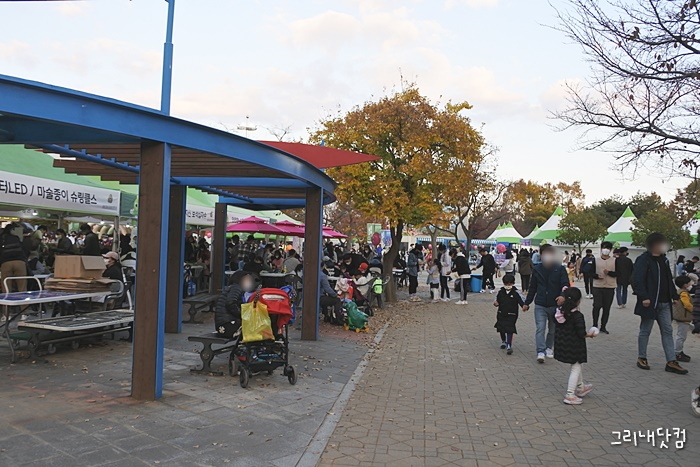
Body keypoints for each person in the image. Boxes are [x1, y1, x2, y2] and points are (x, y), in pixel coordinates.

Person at [633, 232, 688, 374]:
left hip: (665, 303)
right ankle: (642, 357)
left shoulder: (664, 260)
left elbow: (668, 279)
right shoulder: (643, 259)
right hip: (650, 302)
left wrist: (674, 296)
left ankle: (671, 361)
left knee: (667, 331)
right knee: (645, 330)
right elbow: (637, 280)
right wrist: (644, 297)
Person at [523, 244, 569, 363]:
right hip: (540, 304)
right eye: (545, 253)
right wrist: (527, 302)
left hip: (555, 305)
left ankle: (549, 347)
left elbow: (565, 284)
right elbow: (532, 287)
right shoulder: (537, 269)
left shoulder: (560, 269)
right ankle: (540, 351)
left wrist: (562, 295)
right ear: (541, 255)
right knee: (540, 328)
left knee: (553, 329)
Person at [553, 287, 597, 405]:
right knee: (576, 367)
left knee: (577, 365)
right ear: (578, 301)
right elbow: (581, 333)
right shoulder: (577, 315)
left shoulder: (559, 313)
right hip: (575, 346)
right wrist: (590, 334)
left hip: (562, 345)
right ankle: (570, 394)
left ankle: (581, 387)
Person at [215, 271, 258, 338]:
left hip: (223, 326)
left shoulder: (232, 288)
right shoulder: (236, 288)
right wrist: (241, 314)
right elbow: (230, 303)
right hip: (229, 325)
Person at [493, 274, 525, 355]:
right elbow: (496, 300)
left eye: (510, 284)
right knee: (501, 327)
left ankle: (509, 345)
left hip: (512, 314)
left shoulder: (516, 292)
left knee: (510, 329)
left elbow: (522, 302)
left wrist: (524, 306)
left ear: (513, 283)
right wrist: (496, 303)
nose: (508, 285)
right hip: (501, 313)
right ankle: (503, 341)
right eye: (506, 284)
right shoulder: (500, 291)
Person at [591, 241, 616, 334]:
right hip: (597, 286)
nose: (606, 250)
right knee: (597, 306)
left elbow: (619, 273)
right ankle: (595, 325)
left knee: (607, 307)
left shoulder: (615, 261)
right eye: (604, 248)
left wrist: (609, 273)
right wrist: (596, 276)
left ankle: (603, 326)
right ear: (601, 248)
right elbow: (590, 272)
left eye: (608, 248)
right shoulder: (595, 260)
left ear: (611, 250)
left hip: (610, 286)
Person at [0, 223, 27, 294]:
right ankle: (23, 300)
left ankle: (6, 300)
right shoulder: (16, 238)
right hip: (19, 262)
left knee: (6, 286)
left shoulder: (1, 239)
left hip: (6, 263)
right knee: (22, 285)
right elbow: (24, 249)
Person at [673, 275, 694, 363]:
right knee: (681, 336)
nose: (690, 284)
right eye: (689, 283)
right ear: (685, 284)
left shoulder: (680, 292)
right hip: (684, 318)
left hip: (683, 317)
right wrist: (694, 310)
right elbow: (687, 305)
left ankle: (678, 351)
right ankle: (677, 352)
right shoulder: (684, 293)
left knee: (681, 335)